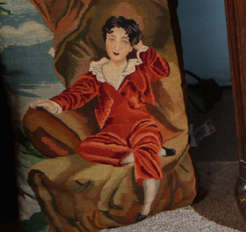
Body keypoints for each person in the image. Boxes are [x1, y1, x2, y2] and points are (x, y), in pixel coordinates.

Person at [30, 16, 174, 219]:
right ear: (105, 40)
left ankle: (147, 207)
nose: (116, 46)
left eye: (124, 40)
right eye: (111, 38)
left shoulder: (139, 67)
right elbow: (76, 95)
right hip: (112, 132)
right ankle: (146, 152)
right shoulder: (96, 73)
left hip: (141, 125)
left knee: (146, 140)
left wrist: (141, 46)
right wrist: (54, 104)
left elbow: (163, 70)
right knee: (86, 147)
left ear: (131, 44)